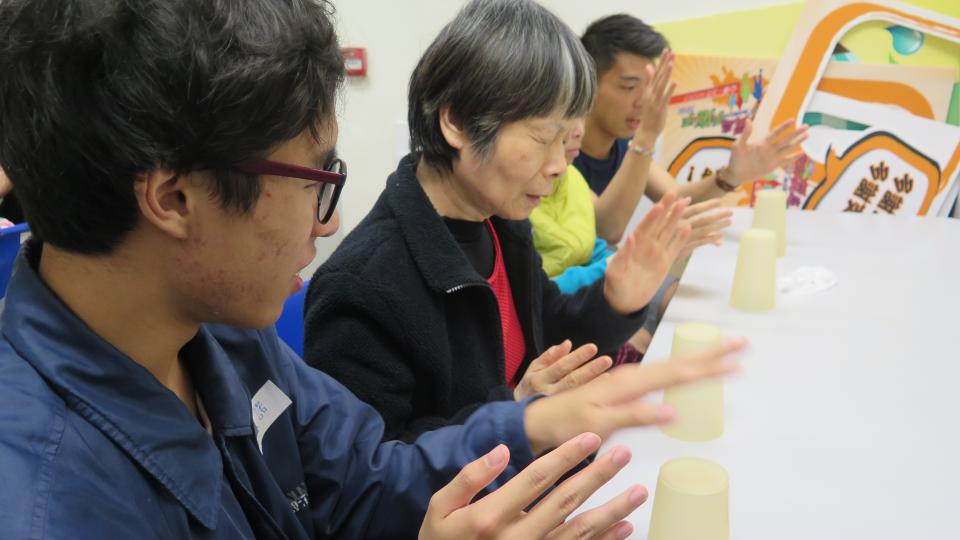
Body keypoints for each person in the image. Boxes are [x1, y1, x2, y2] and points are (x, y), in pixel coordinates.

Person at [0, 0, 746, 538]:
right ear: (174, 198)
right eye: (316, 178)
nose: (326, 222)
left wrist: (530, 424)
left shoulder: (221, 337)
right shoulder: (46, 500)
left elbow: (364, 472)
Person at [303, 0, 700, 443]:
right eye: (541, 136)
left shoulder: (499, 219)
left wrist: (617, 301)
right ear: (456, 120)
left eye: (567, 142)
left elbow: (545, 325)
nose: (558, 166)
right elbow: (366, 473)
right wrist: (511, 412)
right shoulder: (363, 285)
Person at [576, 14, 809, 206]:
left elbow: (675, 199)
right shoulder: (562, 152)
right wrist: (646, 137)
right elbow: (608, 227)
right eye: (629, 87)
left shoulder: (622, 146)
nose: (645, 101)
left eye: (652, 86)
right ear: (588, 82)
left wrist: (731, 176)